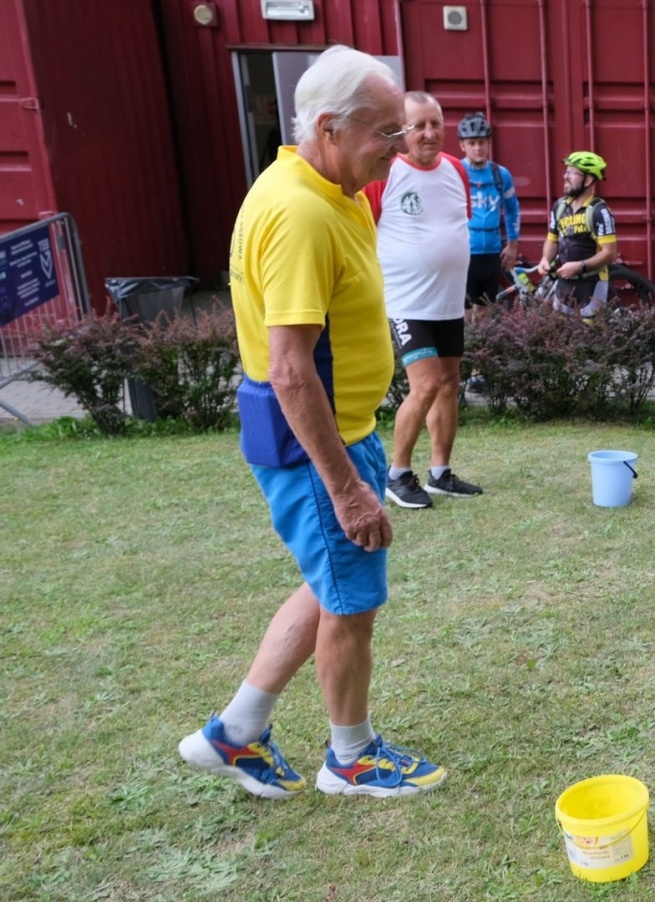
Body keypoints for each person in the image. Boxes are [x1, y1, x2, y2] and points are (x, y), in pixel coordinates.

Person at [178, 47, 445, 799]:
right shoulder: (298, 212)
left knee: (328, 584)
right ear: (328, 126)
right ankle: (351, 759)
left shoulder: (332, 187)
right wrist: (350, 490)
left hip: (337, 428)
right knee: (353, 601)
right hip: (313, 442)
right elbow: (289, 368)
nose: (398, 148)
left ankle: (235, 731)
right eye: (385, 132)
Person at [362, 91, 482, 510]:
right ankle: (397, 474)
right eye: (419, 125)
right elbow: (363, 232)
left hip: (448, 301)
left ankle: (440, 473)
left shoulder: (455, 170)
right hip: (407, 302)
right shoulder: (386, 173)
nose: (429, 133)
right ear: (402, 130)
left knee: (449, 385)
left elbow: (454, 226)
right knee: (427, 384)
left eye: (435, 123)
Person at [532, 151, 619, 322]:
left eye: (573, 173)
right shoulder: (559, 207)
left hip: (592, 284)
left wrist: (580, 266)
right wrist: (545, 259)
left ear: (588, 180)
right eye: (567, 171)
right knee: (562, 335)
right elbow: (552, 238)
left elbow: (610, 253)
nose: (566, 176)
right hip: (564, 284)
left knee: (591, 337)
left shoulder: (599, 212)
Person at [458, 111, 521, 310]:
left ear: (488, 143)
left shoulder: (501, 174)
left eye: (482, 142)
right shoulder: (455, 172)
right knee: (465, 313)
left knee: (485, 310)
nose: (477, 148)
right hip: (464, 251)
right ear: (462, 145)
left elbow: (512, 209)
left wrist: (512, 245)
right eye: (472, 143)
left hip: (492, 252)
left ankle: (481, 342)